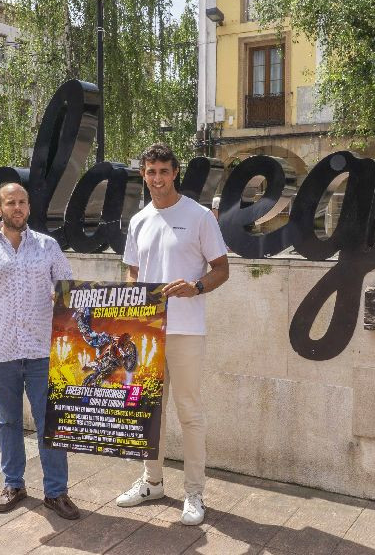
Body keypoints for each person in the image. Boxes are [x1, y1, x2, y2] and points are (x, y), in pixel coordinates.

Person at [115, 143, 230, 526]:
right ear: (143, 175)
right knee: (149, 410)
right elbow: (133, 270)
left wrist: (196, 287)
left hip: (186, 330)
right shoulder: (139, 220)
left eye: (164, 171)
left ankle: (194, 493)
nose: (158, 178)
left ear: (175, 173)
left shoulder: (199, 216)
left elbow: (222, 268)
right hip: (147, 333)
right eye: (151, 172)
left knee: (189, 412)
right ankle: (152, 482)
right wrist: (132, 300)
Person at [0, 182, 81, 519]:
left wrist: (61, 297)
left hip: (41, 350)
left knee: (50, 422)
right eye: (11, 203)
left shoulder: (48, 246)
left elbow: (68, 289)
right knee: (8, 421)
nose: (18, 208)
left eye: (23, 202)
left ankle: (56, 492)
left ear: (29, 207)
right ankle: (13, 484)